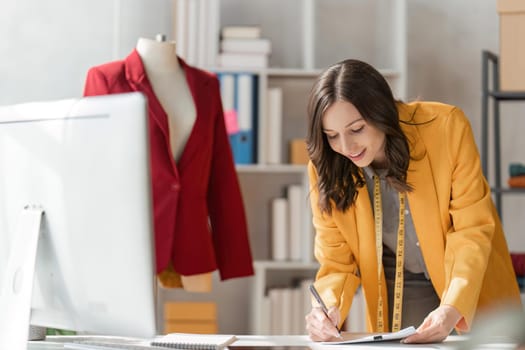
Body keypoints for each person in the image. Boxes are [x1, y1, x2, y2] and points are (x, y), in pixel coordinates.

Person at [304, 59, 522, 343]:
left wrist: (452, 306)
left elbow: (471, 229)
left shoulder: (446, 128)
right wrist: (327, 307)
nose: (346, 147)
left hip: (467, 281)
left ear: (381, 112)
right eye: (332, 135)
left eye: (357, 129)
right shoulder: (328, 164)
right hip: (400, 285)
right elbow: (336, 260)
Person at [83, 36, 254, 292]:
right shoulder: (107, 79)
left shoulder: (206, 85)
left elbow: (221, 173)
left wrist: (233, 257)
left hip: (191, 242)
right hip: (131, 243)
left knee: (189, 329)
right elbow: (92, 173)